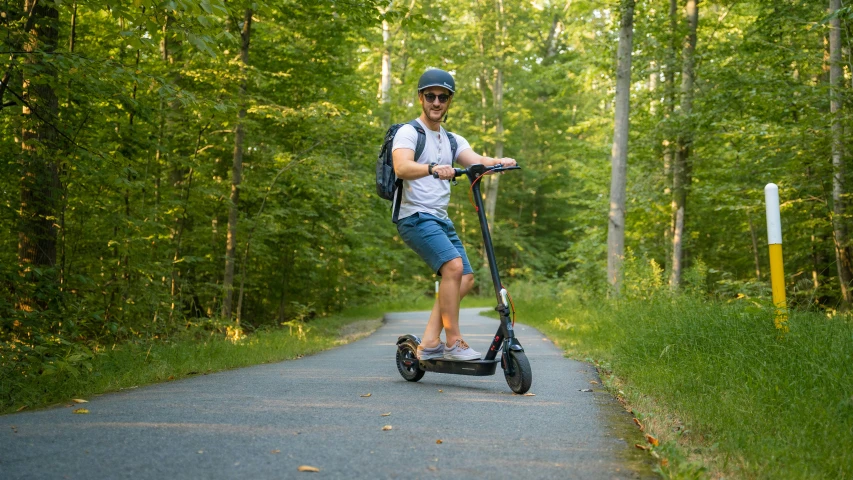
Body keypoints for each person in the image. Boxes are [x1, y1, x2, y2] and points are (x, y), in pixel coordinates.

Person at [392, 68, 517, 361]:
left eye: (443, 97)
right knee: (453, 267)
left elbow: (476, 161)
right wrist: (432, 169)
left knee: (465, 278)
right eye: (431, 96)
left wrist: (499, 162)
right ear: (421, 98)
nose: (437, 102)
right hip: (414, 217)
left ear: (449, 101)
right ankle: (454, 342)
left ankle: (431, 341)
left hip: (440, 220)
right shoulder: (409, 132)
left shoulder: (451, 140)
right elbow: (401, 167)